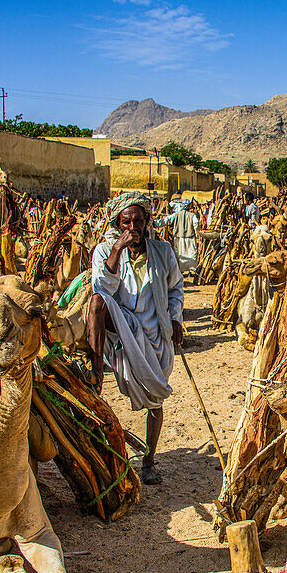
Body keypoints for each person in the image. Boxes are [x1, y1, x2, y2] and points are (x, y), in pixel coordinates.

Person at [88, 192, 185, 485]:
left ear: (146, 221)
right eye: (126, 222)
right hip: (124, 326)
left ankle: (149, 460)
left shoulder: (162, 251)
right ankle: (95, 369)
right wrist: (118, 249)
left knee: (156, 399)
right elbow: (102, 288)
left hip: (156, 331)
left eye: (138, 220)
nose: (133, 227)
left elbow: (175, 288)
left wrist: (177, 317)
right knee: (95, 303)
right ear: (119, 224)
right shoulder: (105, 251)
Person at [154, 196, 200, 276]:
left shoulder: (176, 215)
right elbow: (196, 224)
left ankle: (180, 271)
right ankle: (191, 271)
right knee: (191, 254)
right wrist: (197, 234)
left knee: (179, 255)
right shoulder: (192, 216)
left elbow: (166, 220)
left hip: (178, 238)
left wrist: (156, 224)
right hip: (190, 238)